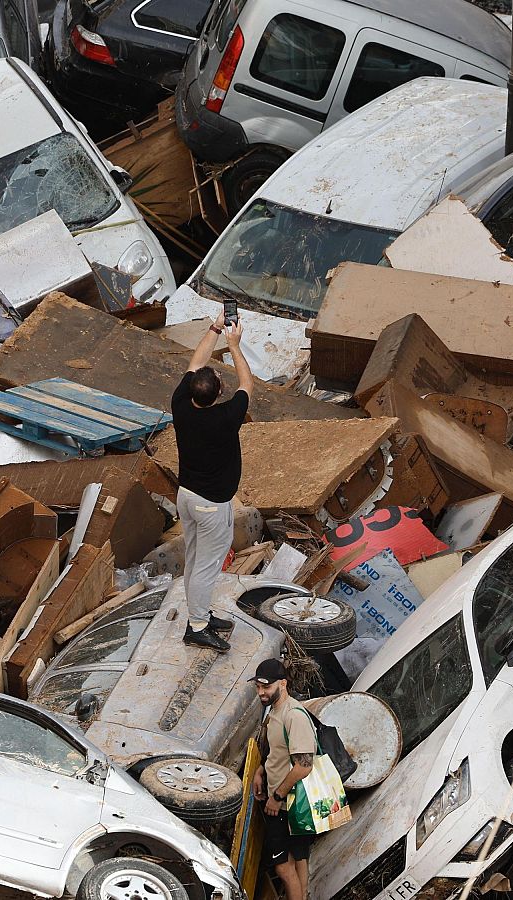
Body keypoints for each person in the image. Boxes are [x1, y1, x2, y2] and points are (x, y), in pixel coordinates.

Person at [170, 309, 253, 651]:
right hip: (211, 505)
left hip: (187, 496)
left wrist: (216, 328)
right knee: (206, 566)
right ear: (219, 392)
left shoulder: (180, 403)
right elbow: (248, 384)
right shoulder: (225, 416)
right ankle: (198, 625)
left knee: (193, 559)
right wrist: (234, 345)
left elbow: (196, 361)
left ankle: (199, 613)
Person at [252, 658, 316, 900]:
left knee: (282, 865)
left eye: (266, 687)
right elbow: (276, 751)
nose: (261, 692)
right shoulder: (274, 712)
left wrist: (276, 797)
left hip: (289, 803)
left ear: (283, 683)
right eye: (258, 687)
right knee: (298, 859)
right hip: (284, 800)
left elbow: (303, 766)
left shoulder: (294, 715)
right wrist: (260, 770)